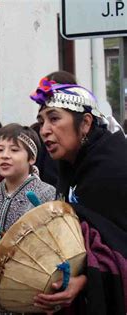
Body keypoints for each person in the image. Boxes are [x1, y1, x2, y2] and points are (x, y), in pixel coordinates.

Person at [31, 78, 127, 314]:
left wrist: (85, 281)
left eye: (54, 118)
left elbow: (120, 247)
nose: (44, 130)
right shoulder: (71, 165)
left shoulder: (114, 168)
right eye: (41, 121)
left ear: (85, 123)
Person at [0, 123, 56, 313]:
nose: (5, 155)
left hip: (28, 297)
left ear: (31, 158)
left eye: (14, 150)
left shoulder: (47, 195)